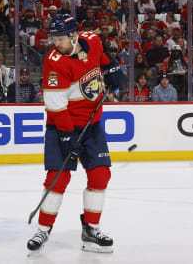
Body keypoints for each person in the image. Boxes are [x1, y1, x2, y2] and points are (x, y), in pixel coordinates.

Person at [27, 14, 113, 254]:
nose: (56, 43)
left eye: (61, 38)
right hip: (61, 126)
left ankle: (91, 229)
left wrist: (112, 67)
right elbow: (55, 105)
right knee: (58, 178)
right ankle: (43, 229)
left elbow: (100, 59)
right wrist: (66, 136)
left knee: (100, 175)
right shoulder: (55, 62)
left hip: (92, 125)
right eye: (53, 38)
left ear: (75, 35)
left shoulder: (93, 40)